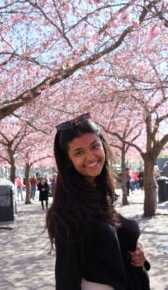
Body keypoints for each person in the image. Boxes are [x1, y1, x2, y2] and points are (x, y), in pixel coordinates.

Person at [46, 113, 150, 290]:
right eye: (79, 152)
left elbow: (108, 245)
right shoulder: (70, 210)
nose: (91, 157)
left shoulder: (97, 193)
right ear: (68, 161)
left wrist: (139, 256)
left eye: (95, 146)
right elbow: (66, 275)